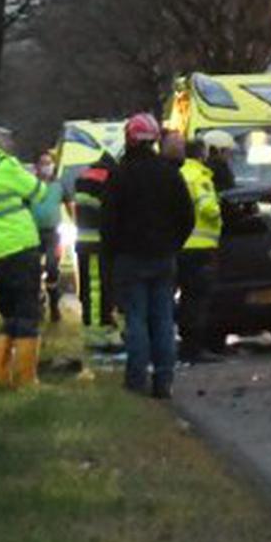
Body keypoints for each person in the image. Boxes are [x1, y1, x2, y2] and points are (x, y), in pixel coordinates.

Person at [101, 113, 194, 398]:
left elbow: (108, 222)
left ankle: (136, 378)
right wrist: (172, 245)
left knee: (137, 320)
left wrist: (115, 252)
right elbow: (186, 217)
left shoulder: (119, 175)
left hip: (129, 259)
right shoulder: (169, 174)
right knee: (164, 320)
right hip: (163, 258)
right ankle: (164, 380)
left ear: (130, 138)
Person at [0, 127, 46, 388]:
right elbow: (39, 192)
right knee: (28, 314)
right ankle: (26, 380)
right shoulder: (7, 166)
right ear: (3, 145)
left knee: (10, 317)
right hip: (22, 248)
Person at [168, 132, 224, 364]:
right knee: (196, 299)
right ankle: (194, 348)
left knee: (178, 297)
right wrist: (220, 212)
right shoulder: (200, 176)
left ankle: (181, 344)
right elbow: (208, 208)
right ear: (201, 154)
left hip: (179, 246)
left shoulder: (178, 173)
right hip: (200, 247)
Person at [65, 140, 121, 350]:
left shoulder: (87, 175)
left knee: (93, 289)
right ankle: (98, 334)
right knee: (98, 289)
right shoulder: (106, 177)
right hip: (97, 243)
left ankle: (98, 328)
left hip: (87, 241)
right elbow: (108, 212)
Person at [30, 149, 66, 323]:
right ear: (37, 167)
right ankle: (38, 302)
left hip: (53, 233)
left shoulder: (59, 186)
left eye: (49, 163)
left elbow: (69, 204)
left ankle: (54, 304)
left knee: (52, 267)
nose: (46, 166)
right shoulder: (29, 185)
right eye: (43, 163)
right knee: (33, 270)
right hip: (32, 233)